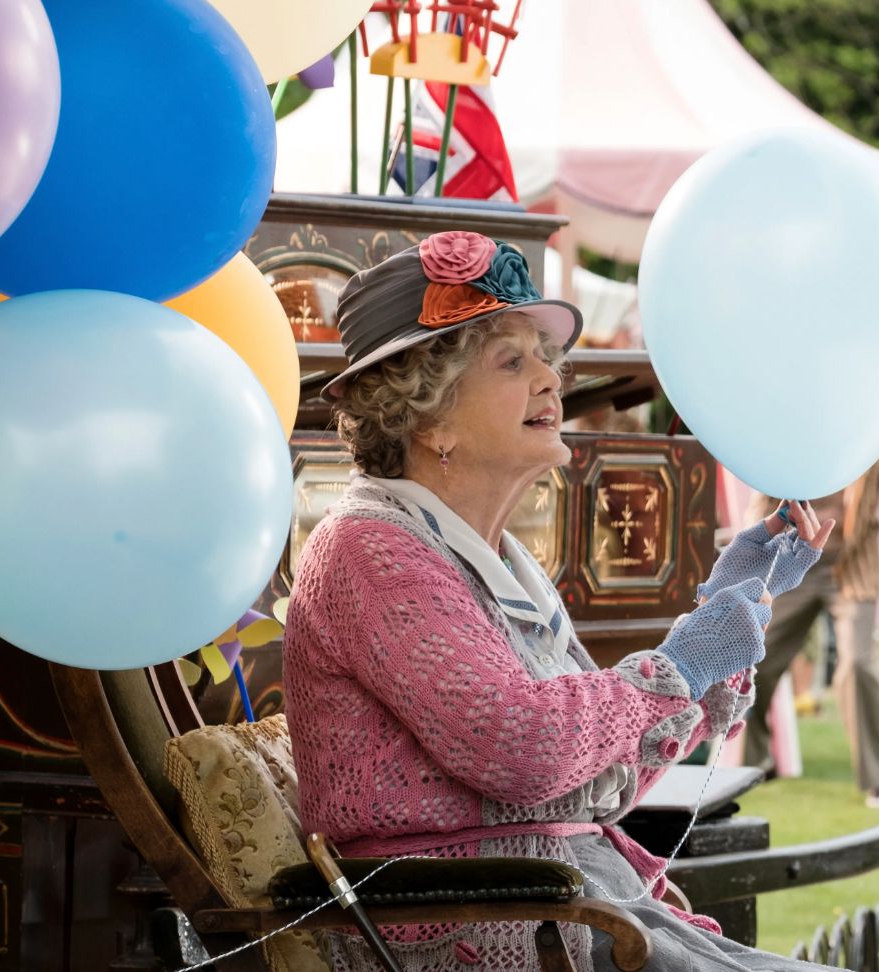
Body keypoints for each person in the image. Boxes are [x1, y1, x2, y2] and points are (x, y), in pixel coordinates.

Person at [283, 233, 839, 971]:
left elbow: (586, 787)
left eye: (547, 359)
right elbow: (521, 747)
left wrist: (726, 610)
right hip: (468, 934)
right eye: (513, 362)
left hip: (564, 912)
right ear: (429, 416)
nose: (552, 381)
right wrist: (684, 658)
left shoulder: (500, 561)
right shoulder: (366, 551)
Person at [741, 441, 879, 808]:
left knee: (857, 667)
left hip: (852, 569)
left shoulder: (878, 422)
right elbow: (762, 499)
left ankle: (876, 780)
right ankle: (754, 765)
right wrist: (746, 566)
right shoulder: (791, 425)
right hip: (794, 563)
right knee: (752, 661)